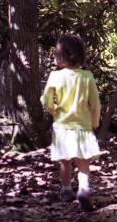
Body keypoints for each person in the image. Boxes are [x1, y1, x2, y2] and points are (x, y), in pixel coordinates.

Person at [40, 36, 102, 211]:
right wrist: (94, 122)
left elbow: (45, 100)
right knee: (83, 163)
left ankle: (66, 190)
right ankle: (83, 190)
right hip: (82, 127)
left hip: (62, 128)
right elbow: (95, 104)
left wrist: (54, 111)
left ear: (61, 57)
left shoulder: (55, 76)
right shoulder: (87, 76)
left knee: (65, 161)